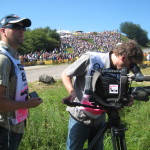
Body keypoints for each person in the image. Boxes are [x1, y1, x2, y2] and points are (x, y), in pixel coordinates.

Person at [61, 40, 144, 150]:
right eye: (131, 65)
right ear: (124, 57)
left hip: (100, 117)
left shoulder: (122, 71)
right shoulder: (91, 58)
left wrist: (127, 99)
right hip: (80, 116)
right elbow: (66, 74)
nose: (130, 69)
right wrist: (72, 92)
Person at [0, 14, 43, 150]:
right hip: (4, 128)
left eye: (23, 28)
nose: (21, 30)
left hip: (15, 125)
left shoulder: (13, 56)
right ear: (3, 31)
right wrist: (26, 104)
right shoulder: (3, 59)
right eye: (16, 26)